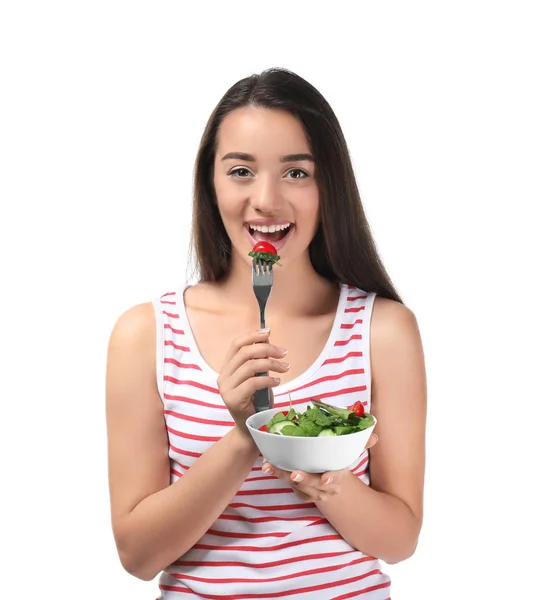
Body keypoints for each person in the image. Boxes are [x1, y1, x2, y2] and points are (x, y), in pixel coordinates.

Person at [106, 67, 427, 599]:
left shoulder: (383, 330)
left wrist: (318, 473)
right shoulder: (144, 335)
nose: (266, 200)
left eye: (296, 173)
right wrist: (246, 435)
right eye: (240, 171)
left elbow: (400, 540)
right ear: (210, 184)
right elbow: (138, 556)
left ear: (330, 186)